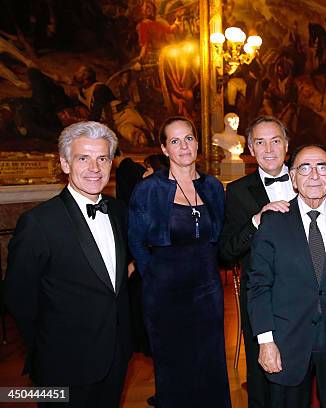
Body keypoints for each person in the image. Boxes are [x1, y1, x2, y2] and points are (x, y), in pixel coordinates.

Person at [4, 121, 132, 407]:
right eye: (83, 158)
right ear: (64, 163)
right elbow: (18, 296)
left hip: (115, 355)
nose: (94, 168)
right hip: (63, 364)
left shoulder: (118, 211)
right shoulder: (39, 223)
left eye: (102, 158)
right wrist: (48, 348)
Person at [247, 144, 326, 408]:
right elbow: (259, 286)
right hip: (287, 341)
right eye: (304, 168)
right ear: (293, 178)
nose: (314, 175)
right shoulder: (272, 222)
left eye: (322, 167)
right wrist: (265, 342)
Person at [128, 116, 230, 407]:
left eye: (189, 138)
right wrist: (155, 278)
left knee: (210, 364)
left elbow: (220, 235)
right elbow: (136, 240)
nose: (183, 146)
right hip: (165, 295)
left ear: (197, 143)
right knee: (174, 366)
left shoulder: (213, 187)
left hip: (208, 292)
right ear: (164, 149)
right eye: (175, 140)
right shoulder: (149, 189)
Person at [219, 115, 295, 408]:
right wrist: (256, 220)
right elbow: (226, 251)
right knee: (262, 384)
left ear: (286, 145)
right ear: (250, 147)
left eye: (275, 140)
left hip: (308, 297)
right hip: (261, 301)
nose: (268, 149)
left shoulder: (309, 178)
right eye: (259, 142)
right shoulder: (238, 191)